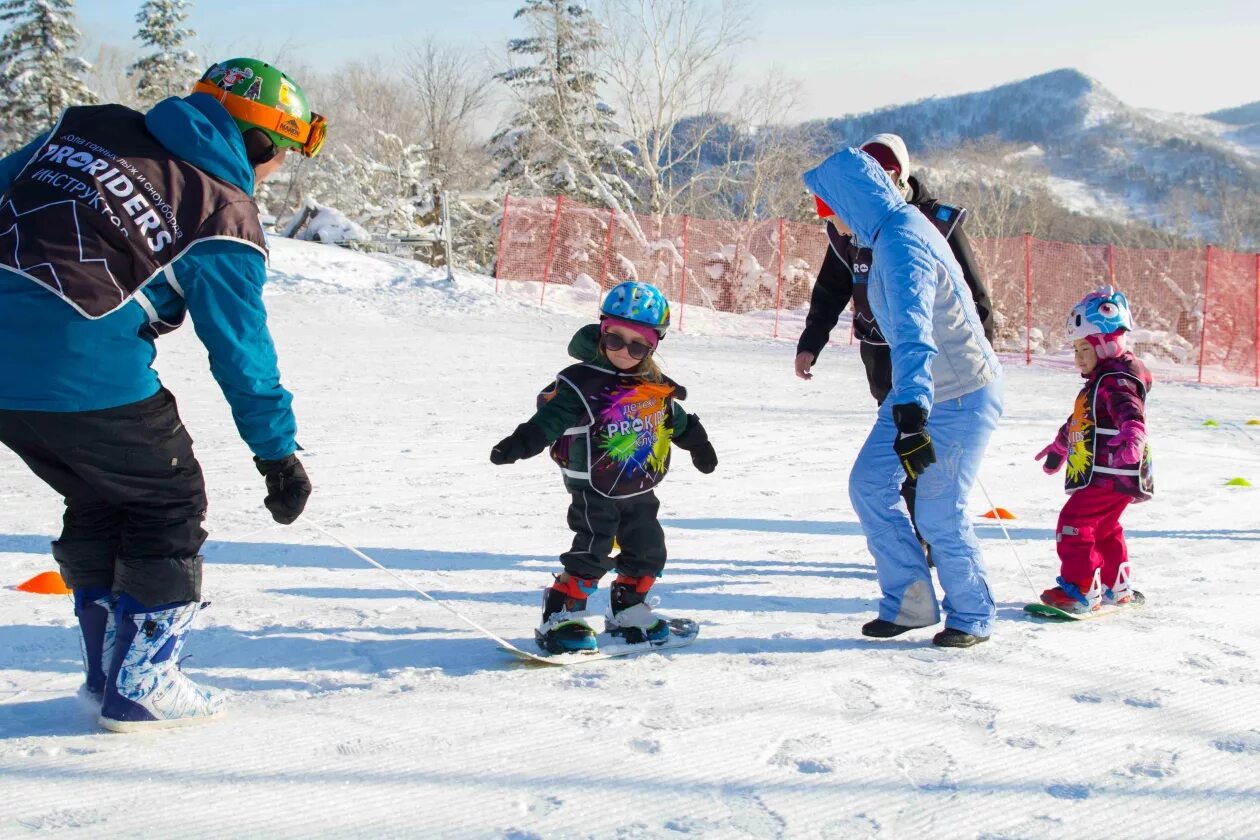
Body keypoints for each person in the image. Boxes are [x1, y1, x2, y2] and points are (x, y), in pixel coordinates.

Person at [0, 58, 325, 731]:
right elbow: (242, 354)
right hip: (83, 364)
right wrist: (277, 456)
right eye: (282, 152)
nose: (274, 171)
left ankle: (104, 673)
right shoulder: (221, 211)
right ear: (257, 140)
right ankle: (142, 684)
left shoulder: (87, 127)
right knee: (167, 499)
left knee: (98, 494)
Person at [803, 147, 1003, 648]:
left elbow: (916, 335)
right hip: (917, 390)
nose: (824, 221)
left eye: (826, 209)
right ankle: (910, 601)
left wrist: (912, 417)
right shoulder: (887, 234)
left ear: (852, 204)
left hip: (961, 394)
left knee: (938, 511)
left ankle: (972, 614)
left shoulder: (903, 246)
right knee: (870, 485)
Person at [489, 281, 718, 654]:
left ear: (653, 345)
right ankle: (562, 615)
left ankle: (629, 610)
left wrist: (700, 445)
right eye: (615, 340)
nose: (625, 352)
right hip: (594, 486)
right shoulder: (582, 383)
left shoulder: (652, 385)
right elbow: (552, 420)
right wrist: (521, 443)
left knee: (648, 549)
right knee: (592, 549)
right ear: (602, 332)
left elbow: (675, 419)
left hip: (638, 485)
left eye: (637, 345)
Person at [1035, 287, 1153, 613]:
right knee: (1105, 527)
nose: (1077, 358)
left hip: (1110, 470)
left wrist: (1133, 436)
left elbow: (1129, 410)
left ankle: (1081, 590)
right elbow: (1082, 418)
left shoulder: (1116, 379)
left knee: (1074, 522)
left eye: (1083, 348)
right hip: (1118, 473)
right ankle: (1118, 585)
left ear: (1104, 344)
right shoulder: (1104, 379)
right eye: (1075, 349)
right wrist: (1060, 447)